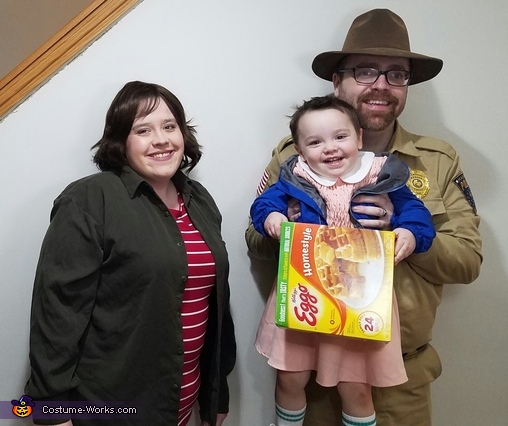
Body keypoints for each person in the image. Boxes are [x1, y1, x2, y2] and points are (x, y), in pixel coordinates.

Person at [245, 9, 482, 426]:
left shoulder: (436, 161)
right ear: (337, 82)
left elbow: (467, 262)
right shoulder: (295, 156)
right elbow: (254, 240)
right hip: (314, 367)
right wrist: (287, 230)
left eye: (397, 74)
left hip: (399, 379)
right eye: (366, 71)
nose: (381, 86)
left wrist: (401, 232)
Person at [25, 81, 236, 426]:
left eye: (170, 127)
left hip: (181, 404)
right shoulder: (90, 200)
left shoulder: (200, 200)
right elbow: (58, 311)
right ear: (122, 142)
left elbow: (217, 306)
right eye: (143, 130)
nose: (161, 140)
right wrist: (51, 411)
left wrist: (217, 392)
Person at [250, 95, 435, 426]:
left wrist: (409, 233)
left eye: (340, 136)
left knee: (357, 388)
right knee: (290, 379)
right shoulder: (296, 175)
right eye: (315, 142)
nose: (330, 148)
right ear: (300, 149)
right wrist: (273, 219)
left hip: (359, 298)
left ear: (359, 138)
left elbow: (416, 212)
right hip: (303, 290)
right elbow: (264, 204)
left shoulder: (382, 173)